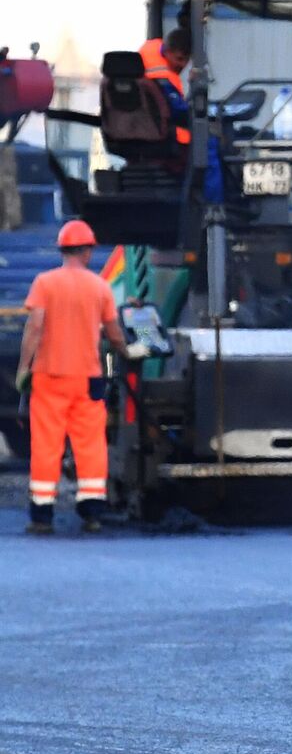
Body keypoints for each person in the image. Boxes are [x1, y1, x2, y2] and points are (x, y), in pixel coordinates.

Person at [16, 220, 146, 535]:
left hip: (49, 376)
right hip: (88, 379)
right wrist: (128, 351)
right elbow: (114, 332)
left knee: (47, 444)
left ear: (63, 250)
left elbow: (35, 328)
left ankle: (42, 515)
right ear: (87, 252)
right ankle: (92, 512)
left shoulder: (44, 283)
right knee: (90, 444)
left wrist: (24, 368)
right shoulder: (99, 287)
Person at [138, 28, 193, 144]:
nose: (183, 65)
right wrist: (195, 89)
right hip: (170, 141)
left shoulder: (146, 56)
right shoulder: (163, 81)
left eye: (187, 60)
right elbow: (182, 113)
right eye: (179, 59)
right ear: (167, 51)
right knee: (210, 140)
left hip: (145, 133)